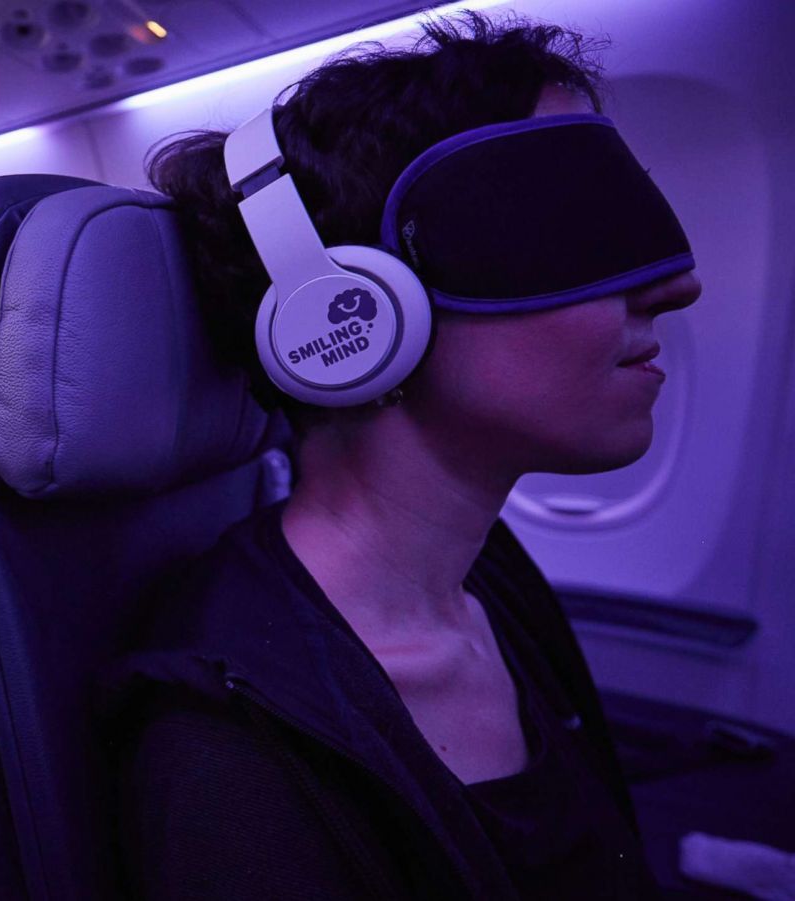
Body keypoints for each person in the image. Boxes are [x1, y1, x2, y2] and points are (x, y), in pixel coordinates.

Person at [102, 14, 700, 899]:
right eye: (570, 227)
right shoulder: (241, 758)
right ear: (351, 312)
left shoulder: (488, 578)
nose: (673, 287)